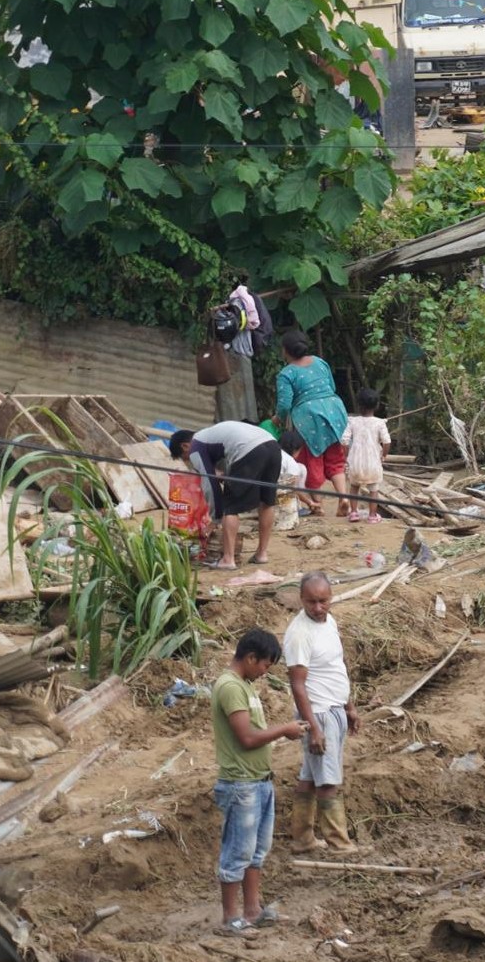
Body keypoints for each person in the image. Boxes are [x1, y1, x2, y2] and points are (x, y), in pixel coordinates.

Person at [210, 628, 307, 937]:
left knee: (256, 851)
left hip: (259, 781)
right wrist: (285, 730)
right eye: (265, 665)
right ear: (251, 658)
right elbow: (247, 737)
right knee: (237, 852)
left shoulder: (246, 685)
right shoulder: (230, 688)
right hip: (241, 784)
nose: (266, 672)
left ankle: (252, 911)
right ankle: (230, 918)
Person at [282, 572, 361, 855]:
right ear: (301, 599)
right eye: (311, 602)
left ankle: (302, 839)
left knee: (311, 776)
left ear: (331, 598)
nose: (318, 608)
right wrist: (314, 727)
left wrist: (349, 707)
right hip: (319, 713)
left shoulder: (329, 622)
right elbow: (297, 685)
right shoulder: (299, 634)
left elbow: (336, 667)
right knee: (328, 780)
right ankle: (339, 843)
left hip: (334, 709)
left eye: (323, 601)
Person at [172, 421, 282, 570]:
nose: (190, 461)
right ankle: (262, 554)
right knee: (266, 501)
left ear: (185, 446)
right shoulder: (210, 435)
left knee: (229, 507)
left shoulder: (195, 446)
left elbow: (210, 485)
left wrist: (215, 519)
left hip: (250, 450)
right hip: (273, 446)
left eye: (186, 458)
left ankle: (228, 559)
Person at [275, 330, 350, 518]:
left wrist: (279, 419)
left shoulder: (286, 373)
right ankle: (344, 498)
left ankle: (318, 505)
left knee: (313, 461)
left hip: (309, 419)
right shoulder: (319, 361)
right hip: (334, 412)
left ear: (285, 351)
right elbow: (331, 387)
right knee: (335, 459)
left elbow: (284, 404)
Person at [342, 388, 391, 523]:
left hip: (355, 462)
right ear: (376, 405)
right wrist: (384, 456)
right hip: (373, 463)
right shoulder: (380, 423)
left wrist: (347, 457)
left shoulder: (352, 421)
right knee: (374, 490)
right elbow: (387, 442)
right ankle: (372, 516)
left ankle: (353, 513)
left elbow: (344, 441)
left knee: (354, 487)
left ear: (359, 405)